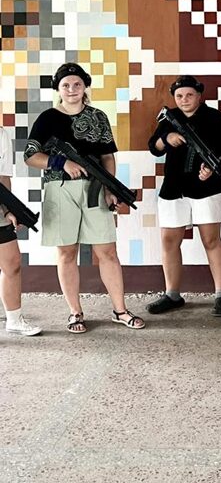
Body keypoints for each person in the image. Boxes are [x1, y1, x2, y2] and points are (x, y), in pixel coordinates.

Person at [23, 63, 145, 333]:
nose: (72, 89)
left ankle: (120, 310)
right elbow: (30, 156)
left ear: (85, 86)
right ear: (58, 89)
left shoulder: (98, 117)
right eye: (66, 85)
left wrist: (110, 188)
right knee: (67, 252)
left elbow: (107, 156)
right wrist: (61, 163)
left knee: (108, 251)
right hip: (60, 189)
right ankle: (75, 312)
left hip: (95, 189)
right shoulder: (47, 118)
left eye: (77, 84)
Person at [146, 75, 221, 316]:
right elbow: (153, 147)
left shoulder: (214, 117)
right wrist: (167, 138)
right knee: (169, 241)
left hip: (207, 188)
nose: (184, 100)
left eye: (189, 95)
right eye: (179, 96)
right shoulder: (170, 118)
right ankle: (172, 294)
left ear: (199, 96)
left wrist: (211, 170)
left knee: (211, 240)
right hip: (174, 188)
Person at [0, 127, 42, 336]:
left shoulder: (1, 135)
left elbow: (3, 178)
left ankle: (14, 320)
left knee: (12, 262)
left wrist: (9, 210)